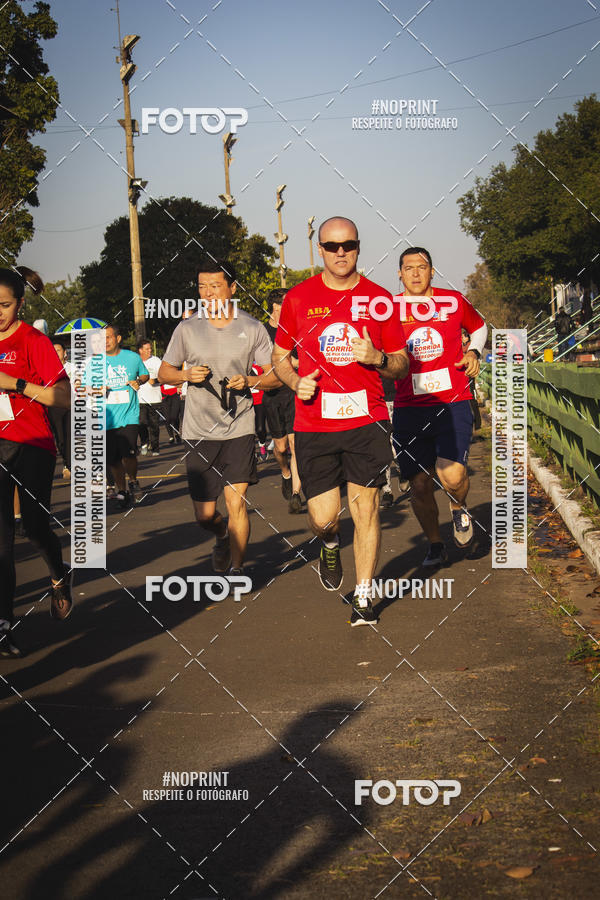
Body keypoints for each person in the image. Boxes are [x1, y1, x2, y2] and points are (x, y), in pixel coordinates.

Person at [272, 217, 409, 627]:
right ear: (320, 250)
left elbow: (402, 365)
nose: (341, 252)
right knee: (323, 516)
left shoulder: (380, 300)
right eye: (332, 246)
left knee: (365, 506)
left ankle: (364, 595)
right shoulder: (298, 299)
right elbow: (279, 357)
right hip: (315, 424)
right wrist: (296, 382)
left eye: (348, 244)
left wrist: (378, 359)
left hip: (366, 419)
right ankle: (329, 542)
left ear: (358, 247)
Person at [159, 259, 280, 575]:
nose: (208, 293)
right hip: (199, 429)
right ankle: (222, 535)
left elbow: (275, 376)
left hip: (239, 425)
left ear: (232, 288)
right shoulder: (188, 328)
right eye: (202, 287)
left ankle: (237, 570)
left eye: (215, 286)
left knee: (236, 503)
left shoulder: (251, 327)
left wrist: (250, 381)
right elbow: (163, 373)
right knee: (204, 515)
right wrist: (185, 374)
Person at [392, 247, 487, 567]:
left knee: (454, 475)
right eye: (409, 268)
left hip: (452, 400)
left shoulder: (452, 301)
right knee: (419, 484)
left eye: (422, 267)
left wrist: (473, 351)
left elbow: (479, 327)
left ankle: (459, 508)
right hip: (408, 406)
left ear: (432, 271)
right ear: (400, 274)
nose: (416, 273)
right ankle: (435, 544)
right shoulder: (387, 309)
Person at [0, 267, 73, 658]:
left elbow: (62, 398)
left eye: (5, 305)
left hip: (31, 444)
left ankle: (58, 576)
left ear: (21, 304)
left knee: (33, 525)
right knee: (1, 542)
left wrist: (14, 384)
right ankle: (4, 625)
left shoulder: (32, 340)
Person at [87, 324, 149, 509]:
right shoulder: (95, 362)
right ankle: (122, 490)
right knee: (113, 459)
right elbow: (84, 387)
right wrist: (95, 389)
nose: (104, 342)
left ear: (118, 338)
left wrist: (138, 381)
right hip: (106, 418)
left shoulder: (132, 357)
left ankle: (133, 481)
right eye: (101, 339)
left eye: (108, 337)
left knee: (129, 453)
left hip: (129, 415)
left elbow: (144, 375)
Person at [263, 288, 302, 513]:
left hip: (293, 391)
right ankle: (285, 472)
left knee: (295, 444)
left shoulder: (295, 328)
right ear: (275, 307)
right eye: (286, 304)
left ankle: (296, 494)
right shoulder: (262, 331)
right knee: (280, 447)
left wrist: (294, 364)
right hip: (271, 394)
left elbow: (301, 359)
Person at [48, 341, 72, 478]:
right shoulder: (47, 369)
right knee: (60, 438)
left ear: (65, 353)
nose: (55, 353)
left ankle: (70, 465)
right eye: (53, 350)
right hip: (55, 407)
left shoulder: (73, 368)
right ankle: (66, 462)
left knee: (71, 436)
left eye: (58, 350)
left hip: (72, 406)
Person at [137, 339, 162, 456]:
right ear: (140, 350)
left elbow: (164, 377)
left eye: (150, 348)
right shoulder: (135, 361)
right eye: (147, 349)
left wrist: (155, 380)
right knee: (141, 423)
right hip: (140, 399)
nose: (150, 350)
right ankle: (144, 443)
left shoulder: (156, 361)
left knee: (154, 425)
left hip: (155, 398)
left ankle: (155, 448)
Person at [461, 328, 482, 434]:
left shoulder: (470, 346)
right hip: (463, 374)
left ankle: (478, 424)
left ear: (467, 337)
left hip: (469, 373)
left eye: (463, 336)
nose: (461, 337)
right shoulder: (462, 346)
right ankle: (470, 422)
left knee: (472, 398)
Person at [250, 362, 269, 461]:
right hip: (245, 401)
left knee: (260, 429)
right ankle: (250, 453)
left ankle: (262, 444)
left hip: (260, 400)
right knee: (247, 432)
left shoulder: (260, 360)